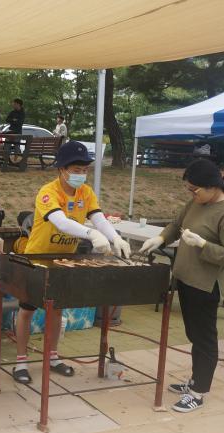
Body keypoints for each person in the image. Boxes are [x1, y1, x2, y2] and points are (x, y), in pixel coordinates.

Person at [12, 141, 131, 384]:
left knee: (57, 309)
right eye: (76, 170)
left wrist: (115, 238)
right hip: (37, 257)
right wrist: (90, 234)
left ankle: (53, 357)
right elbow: (61, 222)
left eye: (85, 170)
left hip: (65, 259)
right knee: (27, 310)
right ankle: (21, 361)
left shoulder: (86, 193)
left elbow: (99, 219)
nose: (81, 174)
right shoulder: (48, 192)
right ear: (62, 169)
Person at [139, 159, 224, 413]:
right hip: (185, 279)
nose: (191, 194)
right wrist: (161, 238)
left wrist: (203, 244)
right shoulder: (197, 202)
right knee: (193, 334)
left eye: (194, 190)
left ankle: (199, 392)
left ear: (212, 186)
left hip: (205, 285)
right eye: (189, 189)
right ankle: (196, 380)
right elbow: (177, 225)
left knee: (204, 338)